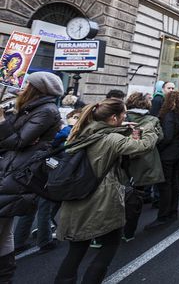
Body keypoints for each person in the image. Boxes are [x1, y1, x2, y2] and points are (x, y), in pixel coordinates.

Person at [55, 98, 158, 283]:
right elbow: (143, 146)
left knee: (76, 250)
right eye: (123, 114)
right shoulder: (111, 139)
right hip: (102, 199)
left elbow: (105, 135)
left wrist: (121, 126)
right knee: (110, 245)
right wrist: (149, 127)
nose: (125, 117)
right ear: (113, 117)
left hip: (77, 196)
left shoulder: (83, 129)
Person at [0, 72, 63, 275]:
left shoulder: (46, 111)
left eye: (27, 83)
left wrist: (2, 122)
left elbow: (17, 142)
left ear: (37, 88)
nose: (22, 86)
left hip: (19, 173)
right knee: (5, 230)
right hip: (12, 168)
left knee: (4, 224)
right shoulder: (29, 108)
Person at [122, 93, 165, 240]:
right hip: (144, 162)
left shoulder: (123, 118)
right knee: (136, 198)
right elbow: (160, 138)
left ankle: (108, 233)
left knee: (115, 196)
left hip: (122, 161)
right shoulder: (152, 120)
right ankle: (129, 232)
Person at [145, 91, 179, 229]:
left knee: (165, 185)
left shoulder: (169, 115)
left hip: (168, 155)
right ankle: (172, 212)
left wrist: (158, 146)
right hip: (178, 152)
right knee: (174, 184)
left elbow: (167, 136)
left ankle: (163, 216)